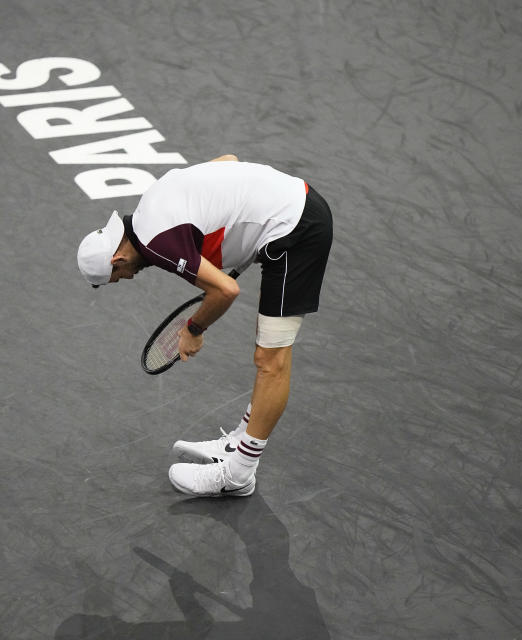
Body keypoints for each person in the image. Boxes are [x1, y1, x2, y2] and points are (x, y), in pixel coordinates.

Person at [76, 155, 333, 497]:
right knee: (267, 358)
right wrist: (246, 233)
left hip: (295, 235)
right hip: (297, 202)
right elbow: (228, 161)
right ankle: (240, 443)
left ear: (118, 259)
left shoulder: (158, 244)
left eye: (118, 277)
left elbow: (225, 290)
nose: (127, 278)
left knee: (271, 362)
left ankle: (239, 475)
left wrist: (193, 330)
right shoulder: (152, 200)